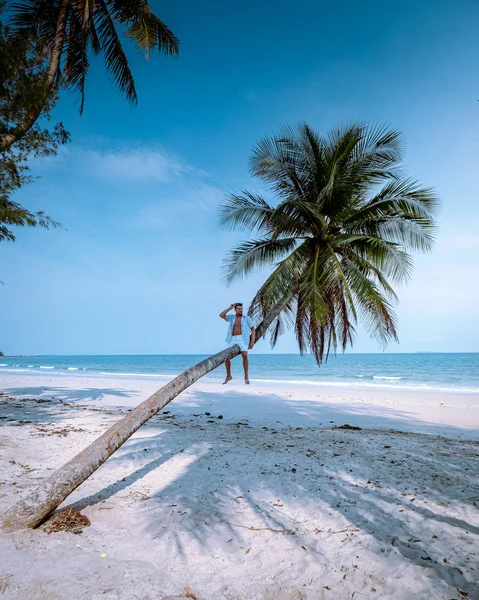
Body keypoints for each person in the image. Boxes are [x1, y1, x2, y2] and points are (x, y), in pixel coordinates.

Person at [219, 303, 255, 385]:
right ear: (235, 310)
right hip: (232, 339)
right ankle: (228, 376)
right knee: (225, 356)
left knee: (244, 355)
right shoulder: (231, 317)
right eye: (239, 309)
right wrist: (230, 308)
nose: (240, 310)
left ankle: (246, 376)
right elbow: (221, 315)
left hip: (243, 339)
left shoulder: (246, 318)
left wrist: (252, 341)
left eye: (241, 309)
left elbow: (253, 329)